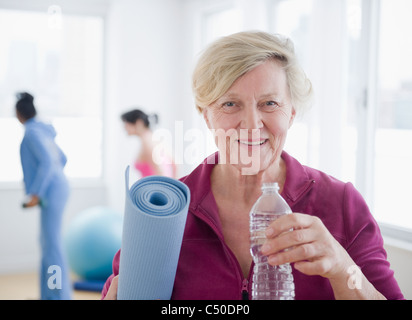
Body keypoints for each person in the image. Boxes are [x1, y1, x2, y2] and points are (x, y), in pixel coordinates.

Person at [102, 31, 403, 299]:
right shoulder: (166, 213)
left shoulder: (342, 204)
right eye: (230, 104)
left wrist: (342, 267)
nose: (251, 124)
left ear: (292, 113)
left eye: (269, 103)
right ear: (206, 115)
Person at [16, 92, 72, 300]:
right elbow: (62, 159)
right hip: (57, 188)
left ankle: (59, 296)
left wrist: (36, 192)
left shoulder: (31, 133)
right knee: (48, 243)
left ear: (18, 113)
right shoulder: (43, 131)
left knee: (52, 246)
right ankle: (49, 295)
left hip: (51, 191)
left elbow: (48, 162)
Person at [121, 109, 176, 178]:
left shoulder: (147, 143)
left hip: (154, 187)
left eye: (126, 123)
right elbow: (175, 164)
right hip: (155, 187)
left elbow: (160, 172)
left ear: (138, 122)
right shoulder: (155, 139)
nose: (124, 127)